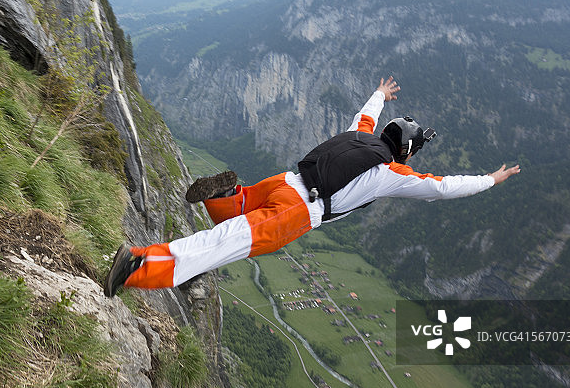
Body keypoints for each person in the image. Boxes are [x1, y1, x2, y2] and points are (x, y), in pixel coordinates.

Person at [104, 77, 520, 297]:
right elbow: (442, 187)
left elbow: (364, 116)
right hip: (300, 210)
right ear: (406, 153)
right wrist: (490, 180)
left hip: (283, 182)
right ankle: (137, 266)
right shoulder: (391, 171)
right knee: (219, 246)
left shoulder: (358, 136)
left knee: (240, 210)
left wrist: (378, 94)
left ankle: (226, 195)